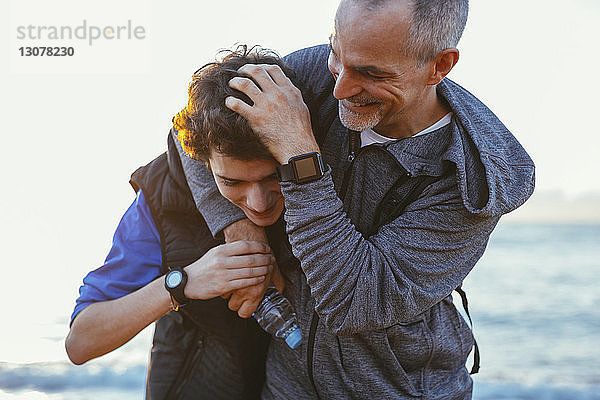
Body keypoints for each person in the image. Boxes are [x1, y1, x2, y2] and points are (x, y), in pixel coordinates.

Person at [180, 0, 536, 399]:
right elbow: (192, 132)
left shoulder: (474, 178)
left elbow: (352, 304)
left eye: (371, 73)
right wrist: (244, 234)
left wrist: (299, 154)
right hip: (286, 383)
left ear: (440, 66)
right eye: (337, 54)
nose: (339, 89)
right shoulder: (313, 73)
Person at [65, 46, 293, 399]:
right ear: (202, 161)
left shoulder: (319, 171)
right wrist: (182, 283)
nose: (258, 203)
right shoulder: (162, 198)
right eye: (232, 183)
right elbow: (81, 342)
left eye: (272, 177)